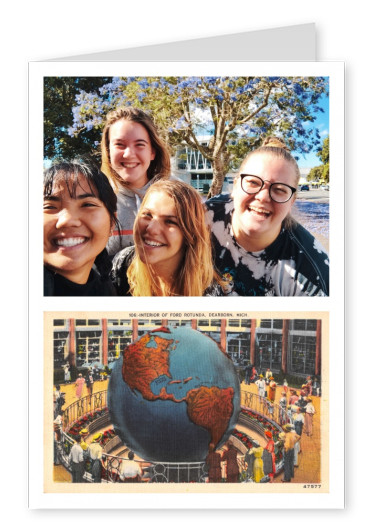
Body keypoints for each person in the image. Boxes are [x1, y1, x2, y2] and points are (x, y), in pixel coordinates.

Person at [206, 137, 329, 296]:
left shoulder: (311, 274)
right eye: (253, 183)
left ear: (292, 201)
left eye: (279, 189)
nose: (263, 197)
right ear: (235, 186)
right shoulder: (202, 217)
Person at [111, 180, 223, 296]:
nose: (151, 229)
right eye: (147, 215)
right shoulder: (122, 264)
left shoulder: (209, 293)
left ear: (190, 234)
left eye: (170, 222)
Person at [100, 106, 171, 257]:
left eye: (139, 144)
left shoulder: (176, 198)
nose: (129, 154)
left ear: (152, 152)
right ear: (108, 150)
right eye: (119, 144)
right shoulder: (95, 200)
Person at [44, 158, 119, 296]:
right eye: (49, 207)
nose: (67, 220)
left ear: (112, 224)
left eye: (87, 205)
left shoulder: (106, 291)